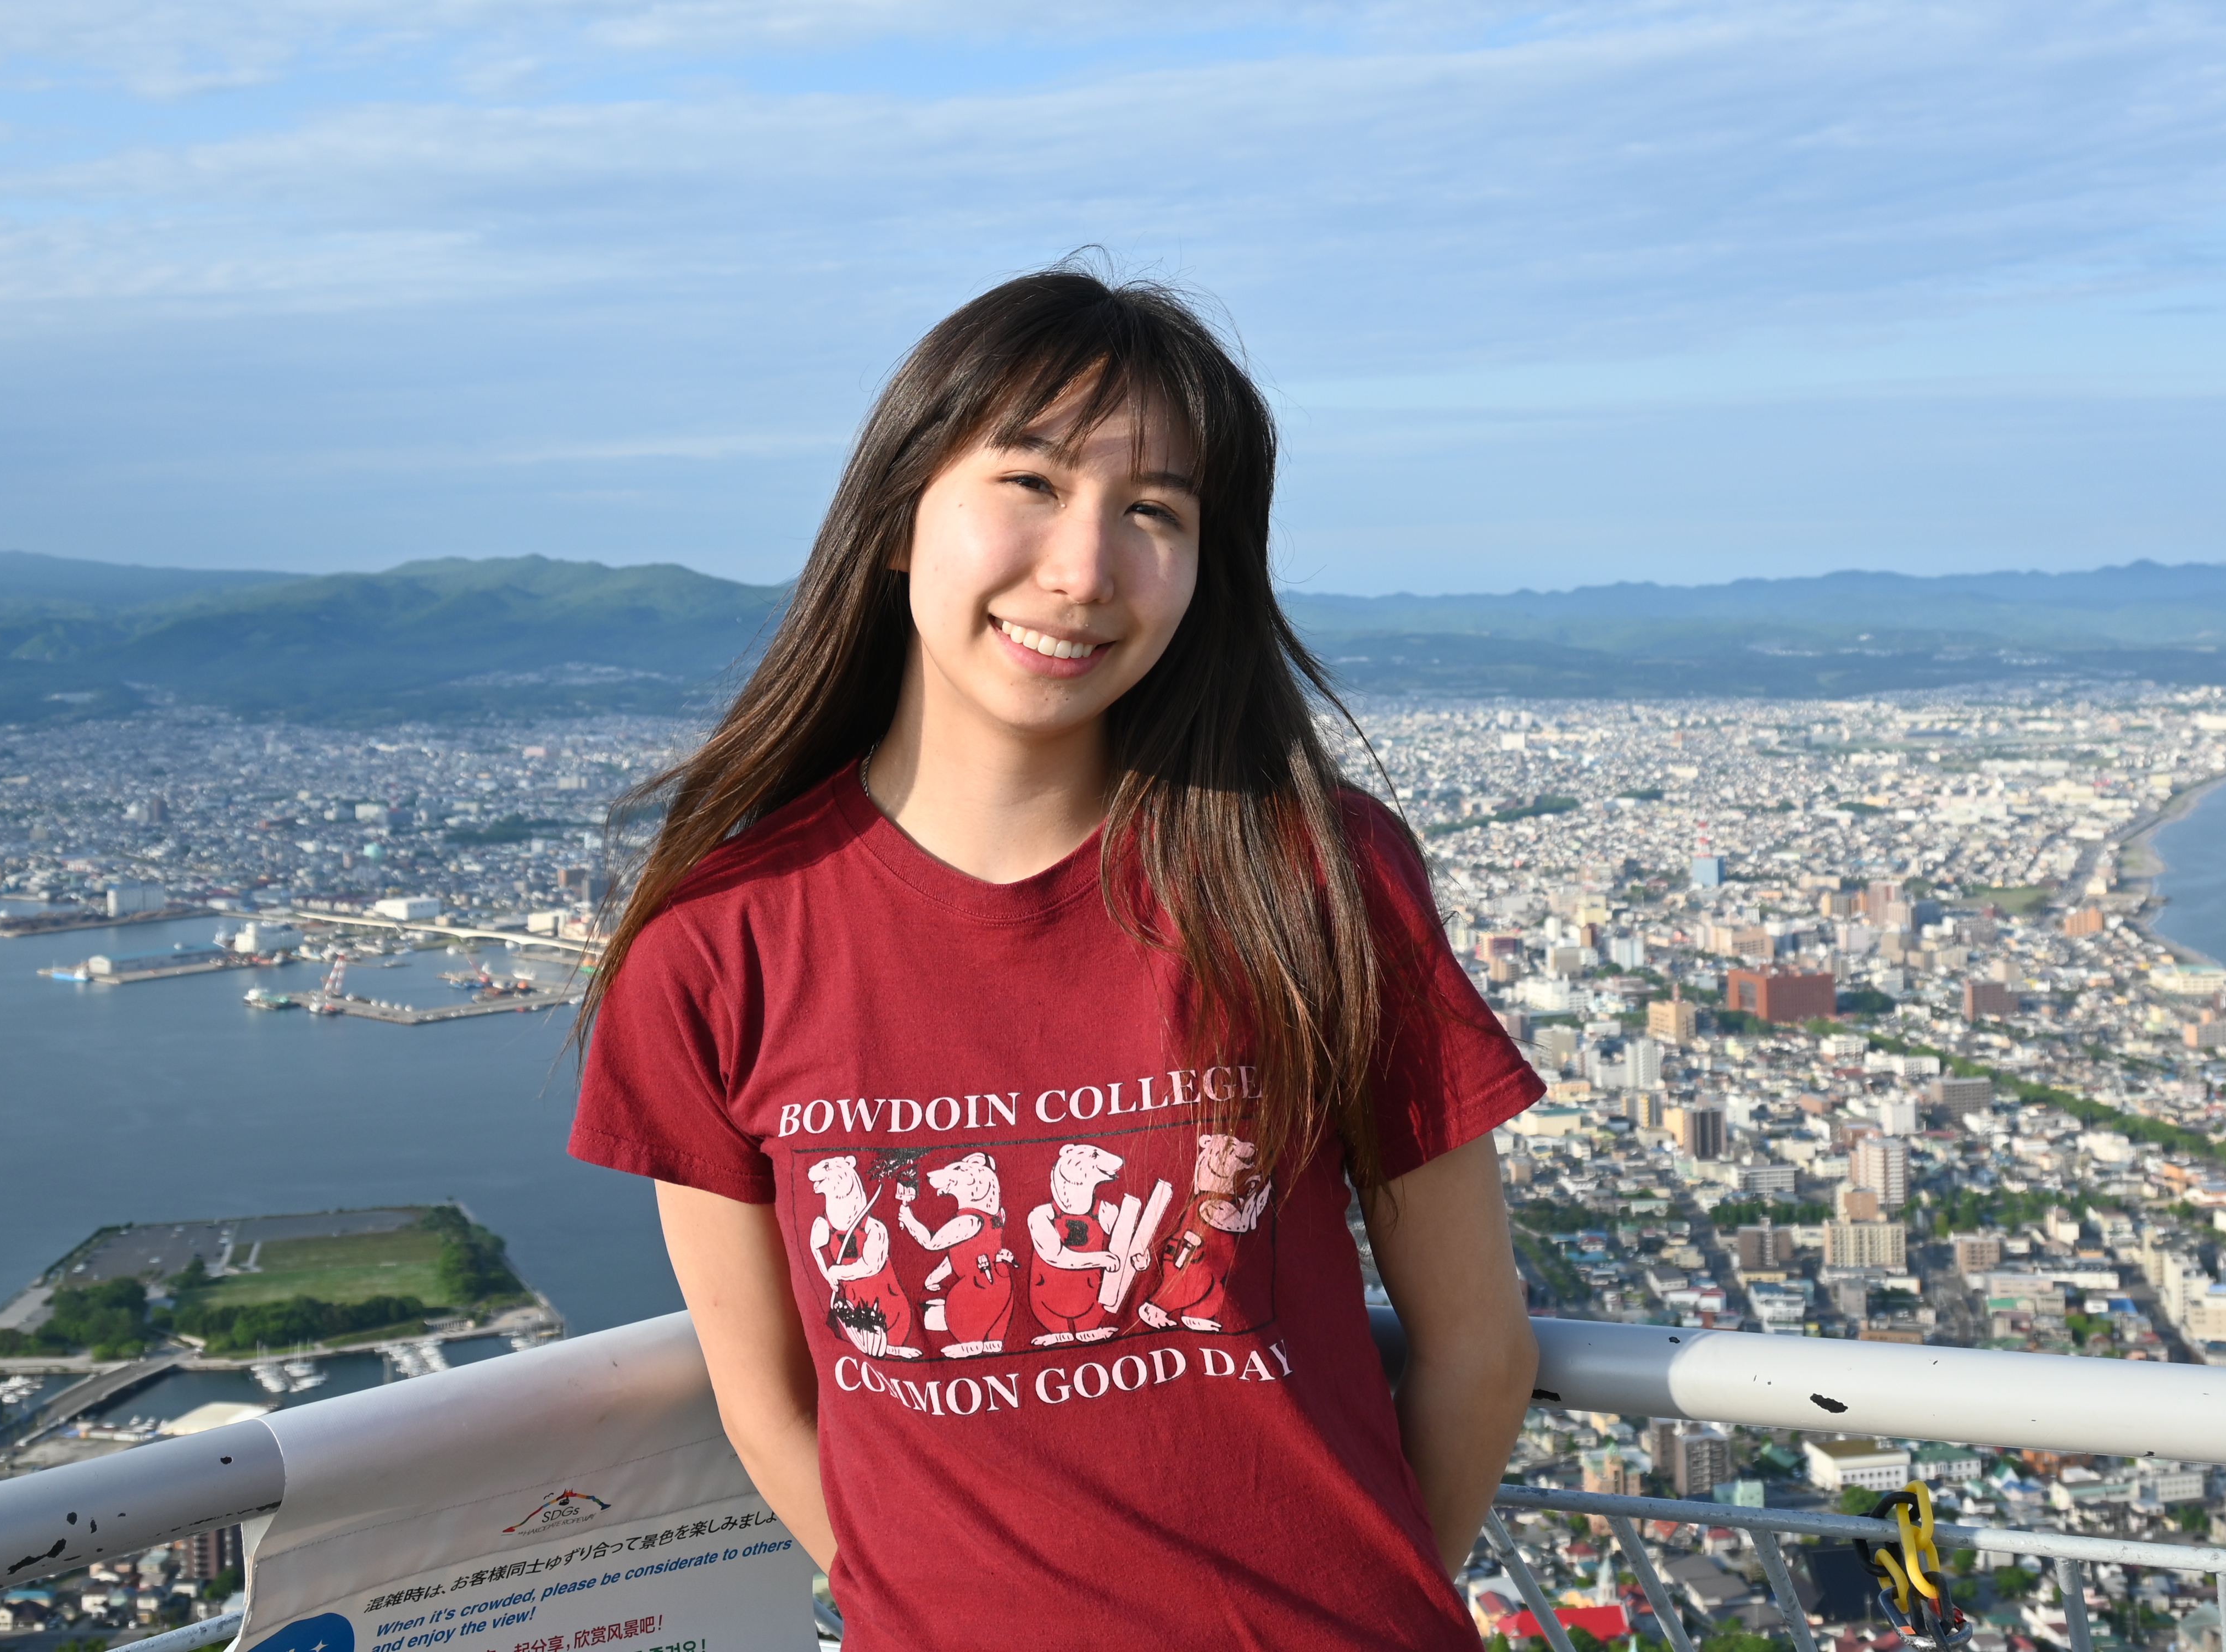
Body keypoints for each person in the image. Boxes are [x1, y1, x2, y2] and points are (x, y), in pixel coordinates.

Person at [568, 264, 1543, 1650]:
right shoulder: (721, 944)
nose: (1084, 571)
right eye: (1028, 481)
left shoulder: (1312, 876)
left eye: (1154, 510)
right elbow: (771, 1402)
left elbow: (1476, 1349)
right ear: (899, 519)